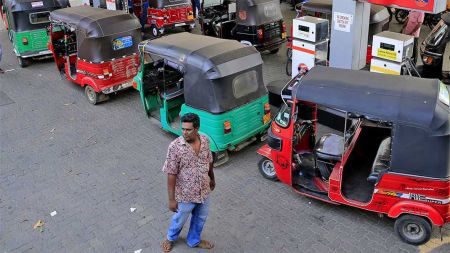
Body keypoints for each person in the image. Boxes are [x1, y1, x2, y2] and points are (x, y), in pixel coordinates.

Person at [161, 113, 215, 252]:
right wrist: (171, 199)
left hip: (204, 189)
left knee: (201, 217)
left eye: (188, 129)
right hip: (185, 194)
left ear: (197, 128)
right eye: (183, 129)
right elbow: (171, 173)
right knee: (179, 219)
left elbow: (209, 161)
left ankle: (193, 240)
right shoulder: (175, 147)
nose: (184, 132)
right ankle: (170, 238)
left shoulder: (205, 141)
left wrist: (212, 178)